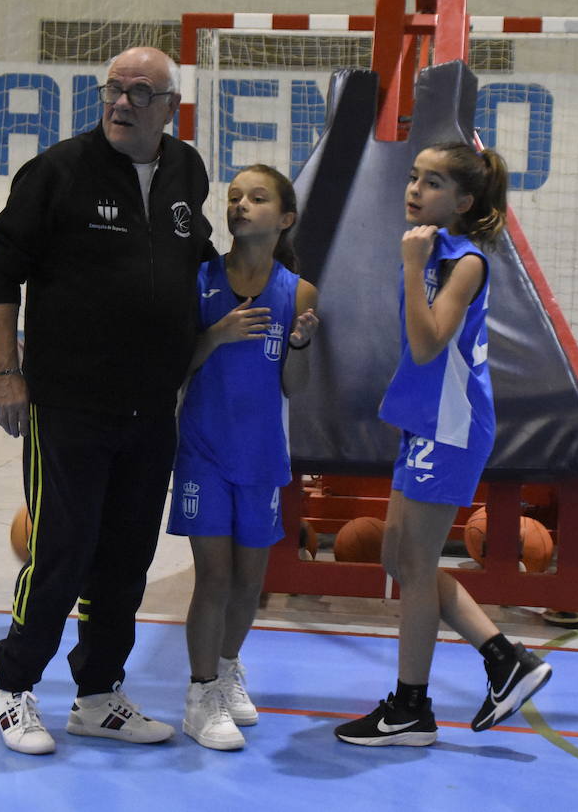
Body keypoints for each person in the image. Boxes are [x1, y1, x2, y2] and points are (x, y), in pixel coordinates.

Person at [0, 46, 215, 755]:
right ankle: (14, 686)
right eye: (114, 89)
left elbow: (201, 260)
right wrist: (6, 372)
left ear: (169, 106)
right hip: (68, 402)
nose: (122, 102)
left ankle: (98, 694)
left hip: (152, 406)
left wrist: (284, 299)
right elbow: (1, 273)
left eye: (140, 93)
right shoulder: (57, 171)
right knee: (61, 550)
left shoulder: (186, 171)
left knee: (125, 559)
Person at [334, 141, 551, 747]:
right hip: (424, 420)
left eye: (431, 182)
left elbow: (429, 344)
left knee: (417, 564)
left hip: (449, 427)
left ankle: (410, 708)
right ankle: (505, 658)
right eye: (412, 177)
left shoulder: (466, 261)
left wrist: (409, 266)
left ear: (462, 200)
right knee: (399, 560)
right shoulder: (433, 250)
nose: (414, 189)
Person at [167, 164, 319, 751]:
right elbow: (173, 366)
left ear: (284, 219)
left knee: (250, 582)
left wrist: (301, 343)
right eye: (234, 197)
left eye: (257, 198)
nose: (240, 205)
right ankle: (200, 693)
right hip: (203, 450)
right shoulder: (199, 278)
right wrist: (215, 335)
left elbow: (295, 386)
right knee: (215, 577)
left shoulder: (298, 291)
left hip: (262, 456)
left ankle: (227, 668)